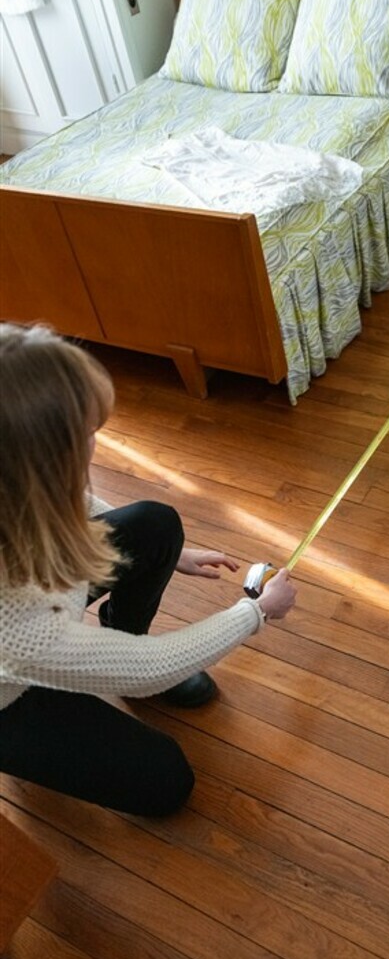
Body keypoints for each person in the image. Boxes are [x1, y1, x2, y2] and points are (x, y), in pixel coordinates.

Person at [0, 323, 297, 817]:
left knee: (155, 525)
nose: (94, 448)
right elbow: (151, 666)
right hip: (7, 697)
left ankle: (119, 632)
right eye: (85, 438)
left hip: (38, 618)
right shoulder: (17, 621)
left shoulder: (20, 488)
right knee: (166, 782)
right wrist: (256, 612)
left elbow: (73, 501)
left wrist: (172, 553)